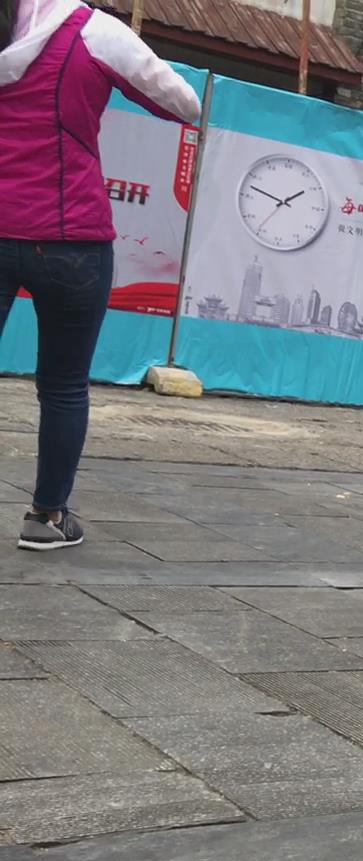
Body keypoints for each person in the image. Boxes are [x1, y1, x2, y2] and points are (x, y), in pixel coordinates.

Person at [1, 0, 201, 551]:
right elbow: (185, 104)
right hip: (72, 238)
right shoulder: (94, 31)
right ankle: (45, 517)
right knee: (63, 386)